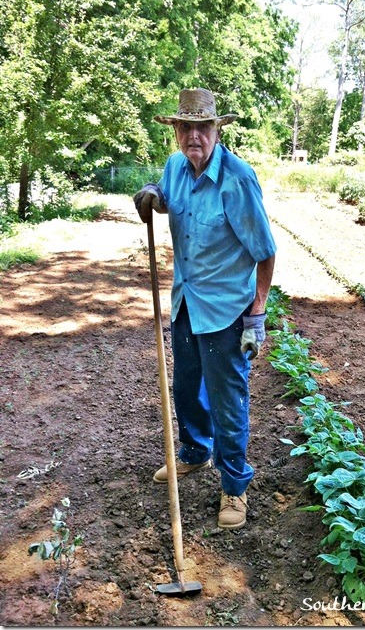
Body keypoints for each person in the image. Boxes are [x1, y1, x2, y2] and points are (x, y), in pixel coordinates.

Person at [133, 88, 276, 530]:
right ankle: (194, 452)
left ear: (216, 129)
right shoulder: (176, 167)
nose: (194, 135)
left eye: (203, 127)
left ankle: (234, 486)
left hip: (226, 311)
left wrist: (256, 314)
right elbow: (165, 195)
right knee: (185, 386)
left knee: (227, 400)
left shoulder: (238, 179)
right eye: (185, 127)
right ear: (175, 131)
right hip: (185, 302)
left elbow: (265, 252)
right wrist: (152, 194)